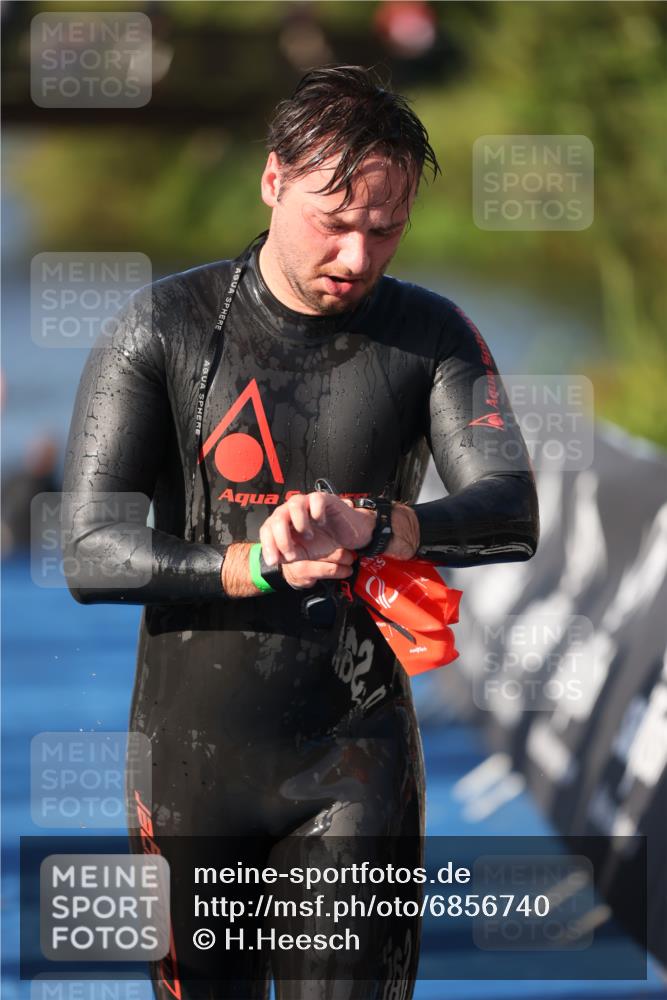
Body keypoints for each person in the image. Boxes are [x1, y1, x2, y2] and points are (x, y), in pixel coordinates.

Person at [63, 66, 539, 1000]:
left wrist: (383, 526)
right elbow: (88, 549)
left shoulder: (433, 336)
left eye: (385, 228)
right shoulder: (161, 328)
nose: (358, 258)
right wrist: (248, 563)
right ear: (273, 181)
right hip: (190, 766)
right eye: (335, 220)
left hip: (354, 760)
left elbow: (510, 509)